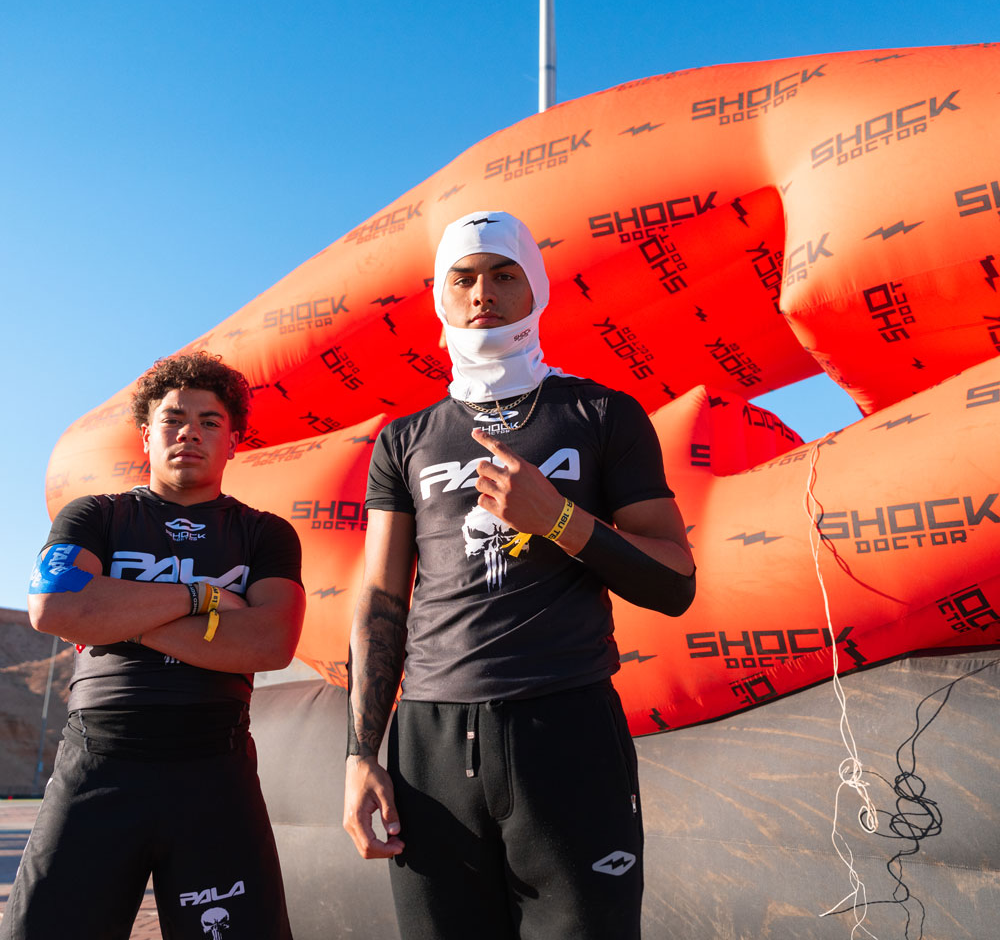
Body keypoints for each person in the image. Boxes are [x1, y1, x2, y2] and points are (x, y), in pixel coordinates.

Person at [342, 211, 696, 939]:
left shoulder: (601, 413)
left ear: (536, 287)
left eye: (504, 275)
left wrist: (560, 519)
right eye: (463, 278)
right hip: (429, 744)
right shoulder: (404, 439)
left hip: (566, 728)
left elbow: (675, 582)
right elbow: (381, 602)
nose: (483, 294)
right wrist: (359, 754)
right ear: (440, 297)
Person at [4, 352, 306, 940]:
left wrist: (112, 616)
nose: (190, 432)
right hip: (97, 763)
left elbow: (271, 642)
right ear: (146, 436)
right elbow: (54, 606)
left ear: (233, 442)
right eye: (173, 419)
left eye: (209, 422)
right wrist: (202, 598)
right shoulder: (94, 515)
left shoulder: (265, 532)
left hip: (215, 771)